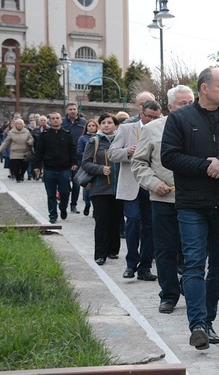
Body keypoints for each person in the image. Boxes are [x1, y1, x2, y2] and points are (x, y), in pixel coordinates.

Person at [161, 67, 219, 350]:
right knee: (194, 263)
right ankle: (197, 324)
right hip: (192, 205)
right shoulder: (179, 119)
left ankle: (208, 319)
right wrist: (207, 166)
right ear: (204, 88)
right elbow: (169, 156)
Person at [131, 85, 195, 314]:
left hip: (195, 199)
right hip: (164, 198)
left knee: (194, 249)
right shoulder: (153, 129)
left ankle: (190, 286)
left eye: (191, 102)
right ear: (169, 107)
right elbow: (139, 163)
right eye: (182, 104)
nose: (188, 108)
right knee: (166, 250)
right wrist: (152, 182)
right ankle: (169, 294)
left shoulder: (201, 128)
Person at [108, 100, 161, 282]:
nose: (152, 120)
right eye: (149, 117)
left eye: (156, 117)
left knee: (150, 226)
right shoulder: (126, 129)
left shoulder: (160, 129)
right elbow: (112, 154)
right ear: (142, 114)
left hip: (152, 184)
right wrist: (128, 152)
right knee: (133, 221)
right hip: (131, 184)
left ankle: (144, 267)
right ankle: (131, 264)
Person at [81, 113, 122, 265]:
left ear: (115, 126)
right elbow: (85, 163)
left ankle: (113, 250)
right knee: (102, 221)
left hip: (119, 188)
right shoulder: (94, 141)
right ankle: (100, 254)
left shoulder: (121, 141)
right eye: (103, 122)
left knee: (115, 220)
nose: (106, 125)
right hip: (99, 188)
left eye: (109, 123)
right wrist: (100, 169)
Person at [33, 112, 78, 224]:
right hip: (49, 169)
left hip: (64, 169)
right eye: (53, 118)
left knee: (65, 192)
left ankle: (63, 207)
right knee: (51, 194)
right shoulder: (44, 135)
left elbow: (72, 149)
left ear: (61, 120)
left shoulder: (67, 134)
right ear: (49, 121)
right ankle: (52, 214)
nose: (55, 120)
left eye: (57, 118)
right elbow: (39, 152)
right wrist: (37, 166)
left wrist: (74, 162)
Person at [62, 102, 87, 215]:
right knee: (65, 182)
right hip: (64, 157)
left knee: (76, 183)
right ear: (67, 111)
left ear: (77, 110)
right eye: (70, 109)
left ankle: (73, 204)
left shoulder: (83, 123)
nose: (72, 111)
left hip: (78, 157)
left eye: (74, 109)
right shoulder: (62, 122)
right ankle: (63, 202)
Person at [0, 118, 33, 183]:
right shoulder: (11, 132)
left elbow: (31, 138)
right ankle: (18, 178)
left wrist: (30, 141)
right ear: (15, 125)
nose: (19, 125)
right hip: (15, 152)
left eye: (21, 124)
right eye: (17, 124)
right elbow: (6, 142)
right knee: (16, 166)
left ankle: (22, 175)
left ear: (23, 125)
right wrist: (0, 149)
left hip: (24, 151)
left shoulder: (27, 131)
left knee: (24, 165)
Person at [77, 119, 99, 216]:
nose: (91, 127)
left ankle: (96, 209)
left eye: (93, 125)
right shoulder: (83, 138)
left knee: (97, 190)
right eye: (89, 126)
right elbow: (79, 151)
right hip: (88, 165)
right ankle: (87, 204)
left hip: (98, 165)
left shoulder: (100, 137)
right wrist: (89, 156)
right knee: (87, 190)